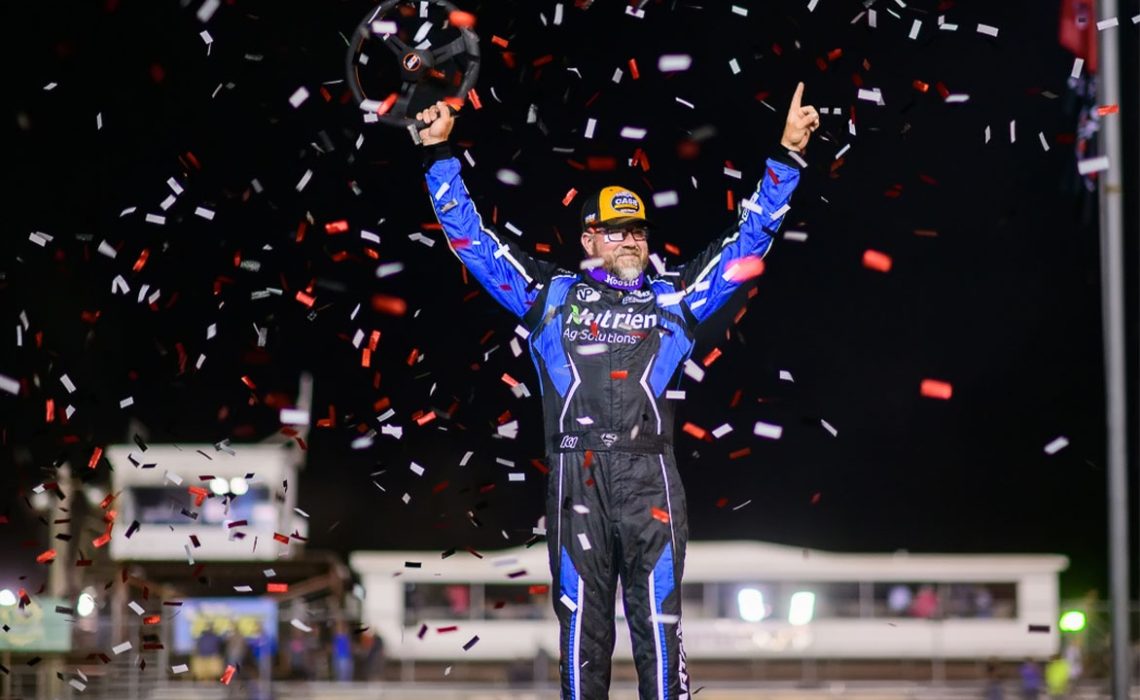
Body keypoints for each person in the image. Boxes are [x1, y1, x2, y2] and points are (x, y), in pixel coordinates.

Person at [416, 82, 817, 700]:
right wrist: (439, 155)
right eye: (616, 230)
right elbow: (473, 243)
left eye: (639, 232)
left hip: (649, 474)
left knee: (658, 625)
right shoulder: (550, 294)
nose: (631, 241)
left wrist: (786, 158)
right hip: (575, 475)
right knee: (582, 628)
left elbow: (747, 243)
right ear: (589, 239)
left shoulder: (674, 299)